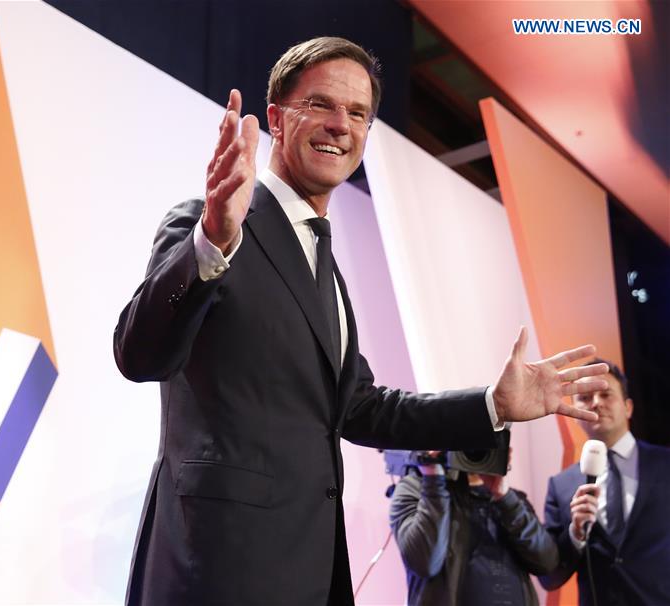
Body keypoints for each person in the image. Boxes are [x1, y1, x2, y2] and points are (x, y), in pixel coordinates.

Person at [114, 36, 606, 606]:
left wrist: (493, 404)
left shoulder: (325, 267)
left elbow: (362, 408)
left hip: (312, 572)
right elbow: (140, 353)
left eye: (357, 113)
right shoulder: (211, 225)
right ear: (275, 117)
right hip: (218, 570)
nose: (340, 126)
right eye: (320, 104)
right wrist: (211, 244)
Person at [538, 359, 670, 605]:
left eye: (605, 394)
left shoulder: (665, 464)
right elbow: (550, 576)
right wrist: (575, 534)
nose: (596, 403)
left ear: (628, 407)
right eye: (585, 398)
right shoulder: (561, 485)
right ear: (575, 414)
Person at [389, 446, 558, 606]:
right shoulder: (415, 490)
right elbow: (426, 562)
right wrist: (433, 481)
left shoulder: (509, 499)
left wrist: (504, 496)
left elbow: (546, 562)